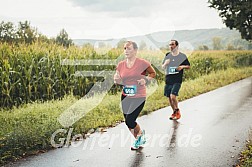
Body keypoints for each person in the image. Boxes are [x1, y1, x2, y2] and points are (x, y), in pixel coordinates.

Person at [114, 41, 156, 150]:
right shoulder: (121, 64)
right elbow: (117, 78)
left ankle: (139, 136)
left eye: (129, 49)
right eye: (125, 49)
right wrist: (117, 79)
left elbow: (153, 73)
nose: (126, 51)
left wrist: (145, 79)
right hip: (125, 95)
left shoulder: (142, 63)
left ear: (135, 50)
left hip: (139, 96)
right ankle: (139, 139)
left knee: (130, 120)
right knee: (128, 122)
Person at [162, 39, 190, 120]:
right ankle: (174, 112)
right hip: (168, 79)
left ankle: (177, 111)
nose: (170, 46)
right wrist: (165, 64)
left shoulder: (182, 56)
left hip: (177, 80)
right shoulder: (168, 55)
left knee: (173, 96)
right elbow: (163, 67)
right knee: (169, 98)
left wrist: (182, 67)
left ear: (177, 46)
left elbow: (188, 66)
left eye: (172, 44)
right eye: (169, 45)